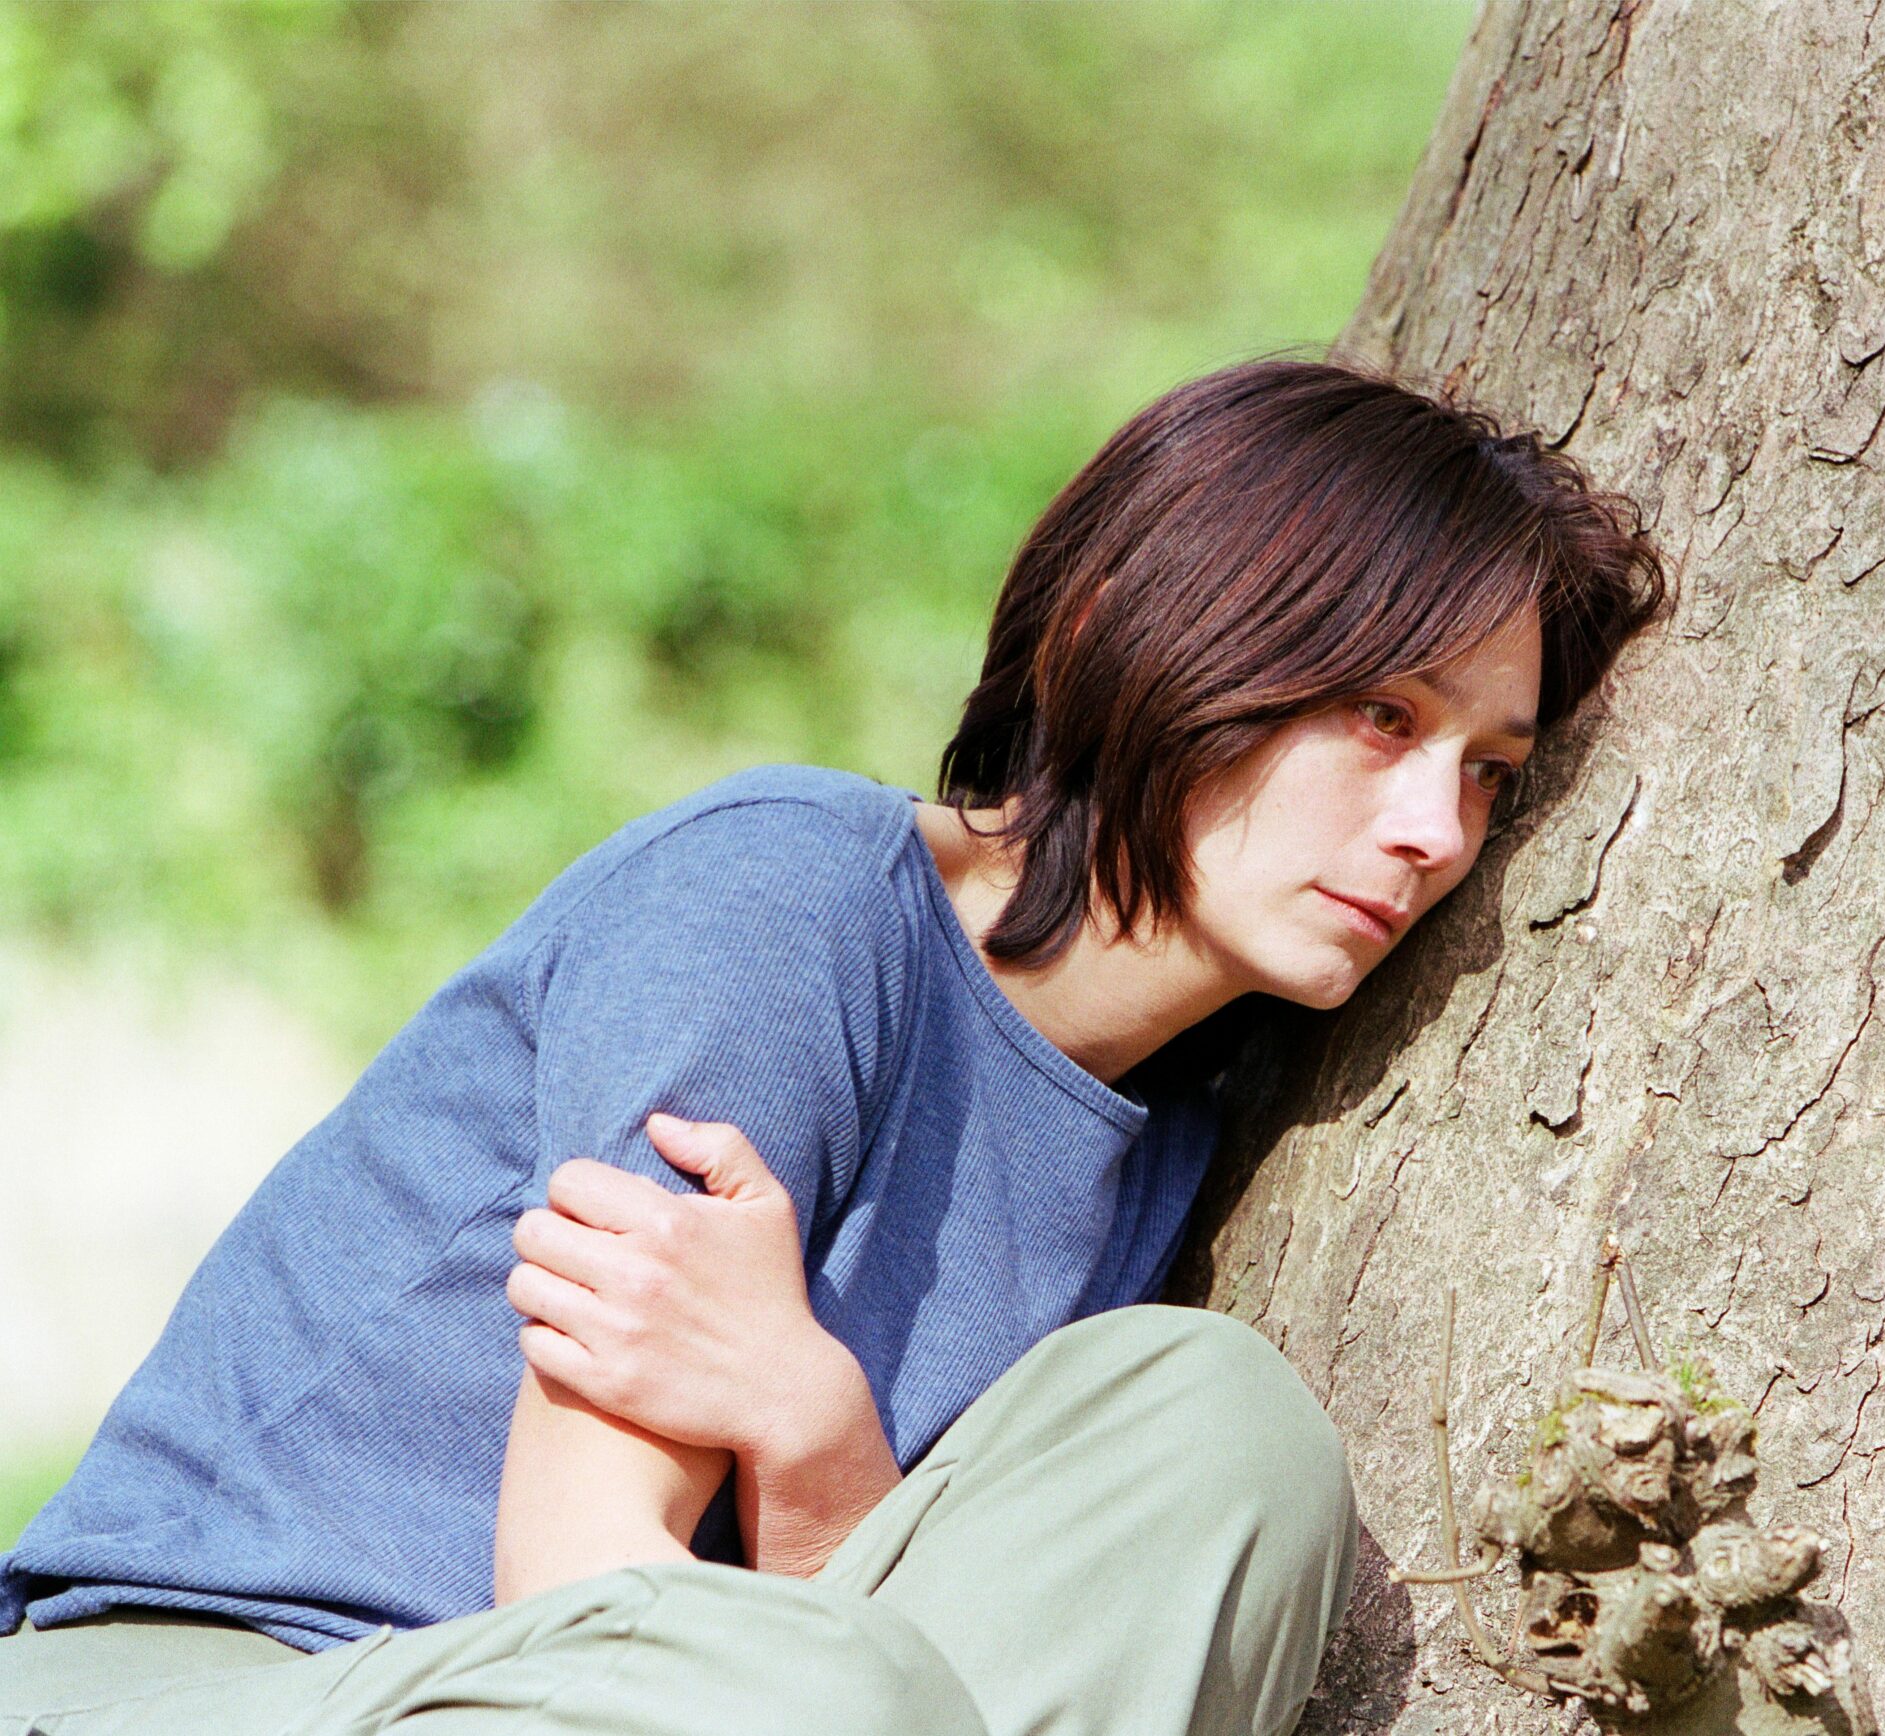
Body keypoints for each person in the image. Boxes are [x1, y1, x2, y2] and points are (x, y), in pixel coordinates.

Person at [0, 357, 1666, 1735]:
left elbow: (858, 1642)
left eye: (1489, 770)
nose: (1435, 829)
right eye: (1382, 716)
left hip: (718, 1694)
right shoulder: (786, 903)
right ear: (1149, 633)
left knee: (1224, 1427)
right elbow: (580, 1575)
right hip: (221, 1680)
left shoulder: (1181, 1125)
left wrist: (815, 1441)